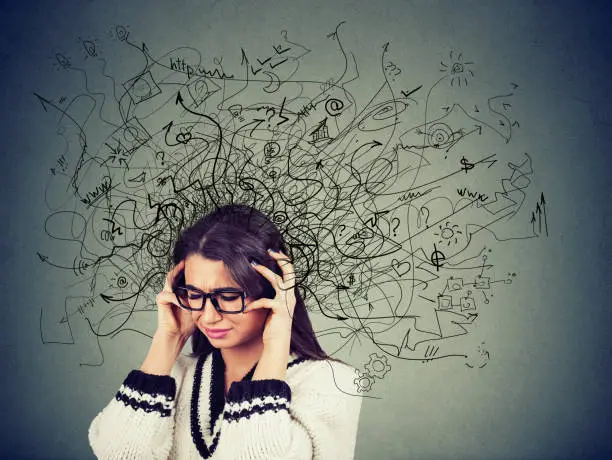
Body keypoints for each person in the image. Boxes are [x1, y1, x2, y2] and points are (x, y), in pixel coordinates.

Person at [88, 204, 362, 459]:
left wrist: (279, 336)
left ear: (271, 290)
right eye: (193, 294)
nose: (207, 316)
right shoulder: (172, 374)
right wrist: (168, 338)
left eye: (229, 296)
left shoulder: (333, 382)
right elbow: (119, 454)